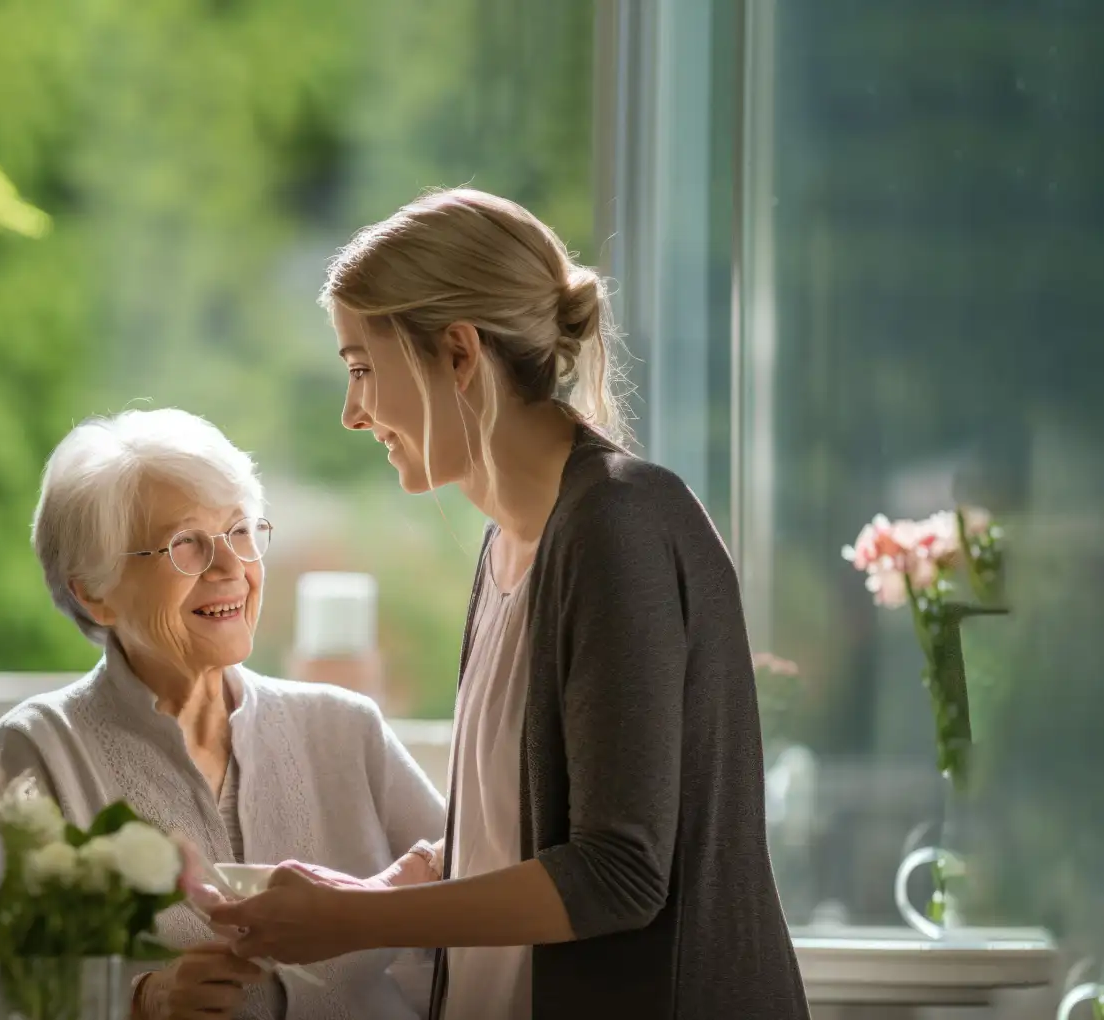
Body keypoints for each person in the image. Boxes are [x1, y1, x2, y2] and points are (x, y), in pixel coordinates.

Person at [206, 188, 814, 1020]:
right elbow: (517, 827)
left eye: (360, 368)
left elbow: (617, 874)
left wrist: (355, 918)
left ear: (458, 354)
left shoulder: (615, 527)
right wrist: (392, 881)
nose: (352, 414)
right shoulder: (508, 545)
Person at [0, 407, 446, 1020]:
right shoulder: (41, 745)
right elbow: (7, 980)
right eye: (186, 545)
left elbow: (474, 869)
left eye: (240, 532)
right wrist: (144, 999)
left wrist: (406, 880)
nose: (231, 567)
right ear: (93, 591)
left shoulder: (345, 727)